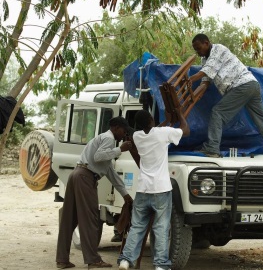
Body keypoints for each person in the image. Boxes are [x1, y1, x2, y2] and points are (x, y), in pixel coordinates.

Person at [187, 33, 263, 159]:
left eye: (199, 48)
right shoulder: (205, 60)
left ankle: (212, 149)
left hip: (242, 85)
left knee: (218, 112)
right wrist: (194, 94)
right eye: (195, 50)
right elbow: (205, 81)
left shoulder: (218, 49)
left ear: (206, 43)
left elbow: (207, 71)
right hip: (250, 85)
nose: (198, 52)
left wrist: (190, 79)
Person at [56, 117, 134, 269]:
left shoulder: (101, 139)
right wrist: (120, 149)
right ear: (116, 127)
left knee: (69, 219)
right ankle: (93, 260)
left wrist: (125, 195)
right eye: (124, 131)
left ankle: (62, 260)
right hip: (85, 178)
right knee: (91, 219)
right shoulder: (109, 139)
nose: (124, 135)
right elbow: (98, 157)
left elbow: (111, 174)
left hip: (76, 174)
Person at [118, 108, 190, 270]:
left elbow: (155, 129)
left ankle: (126, 260)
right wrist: (181, 116)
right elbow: (186, 131)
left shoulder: (137, 136)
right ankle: (160, 265)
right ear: (151, 120)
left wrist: (167, 122)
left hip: (143, 189)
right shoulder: (162, 133)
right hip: (161, 189)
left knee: (137, 226)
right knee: (161, 228)